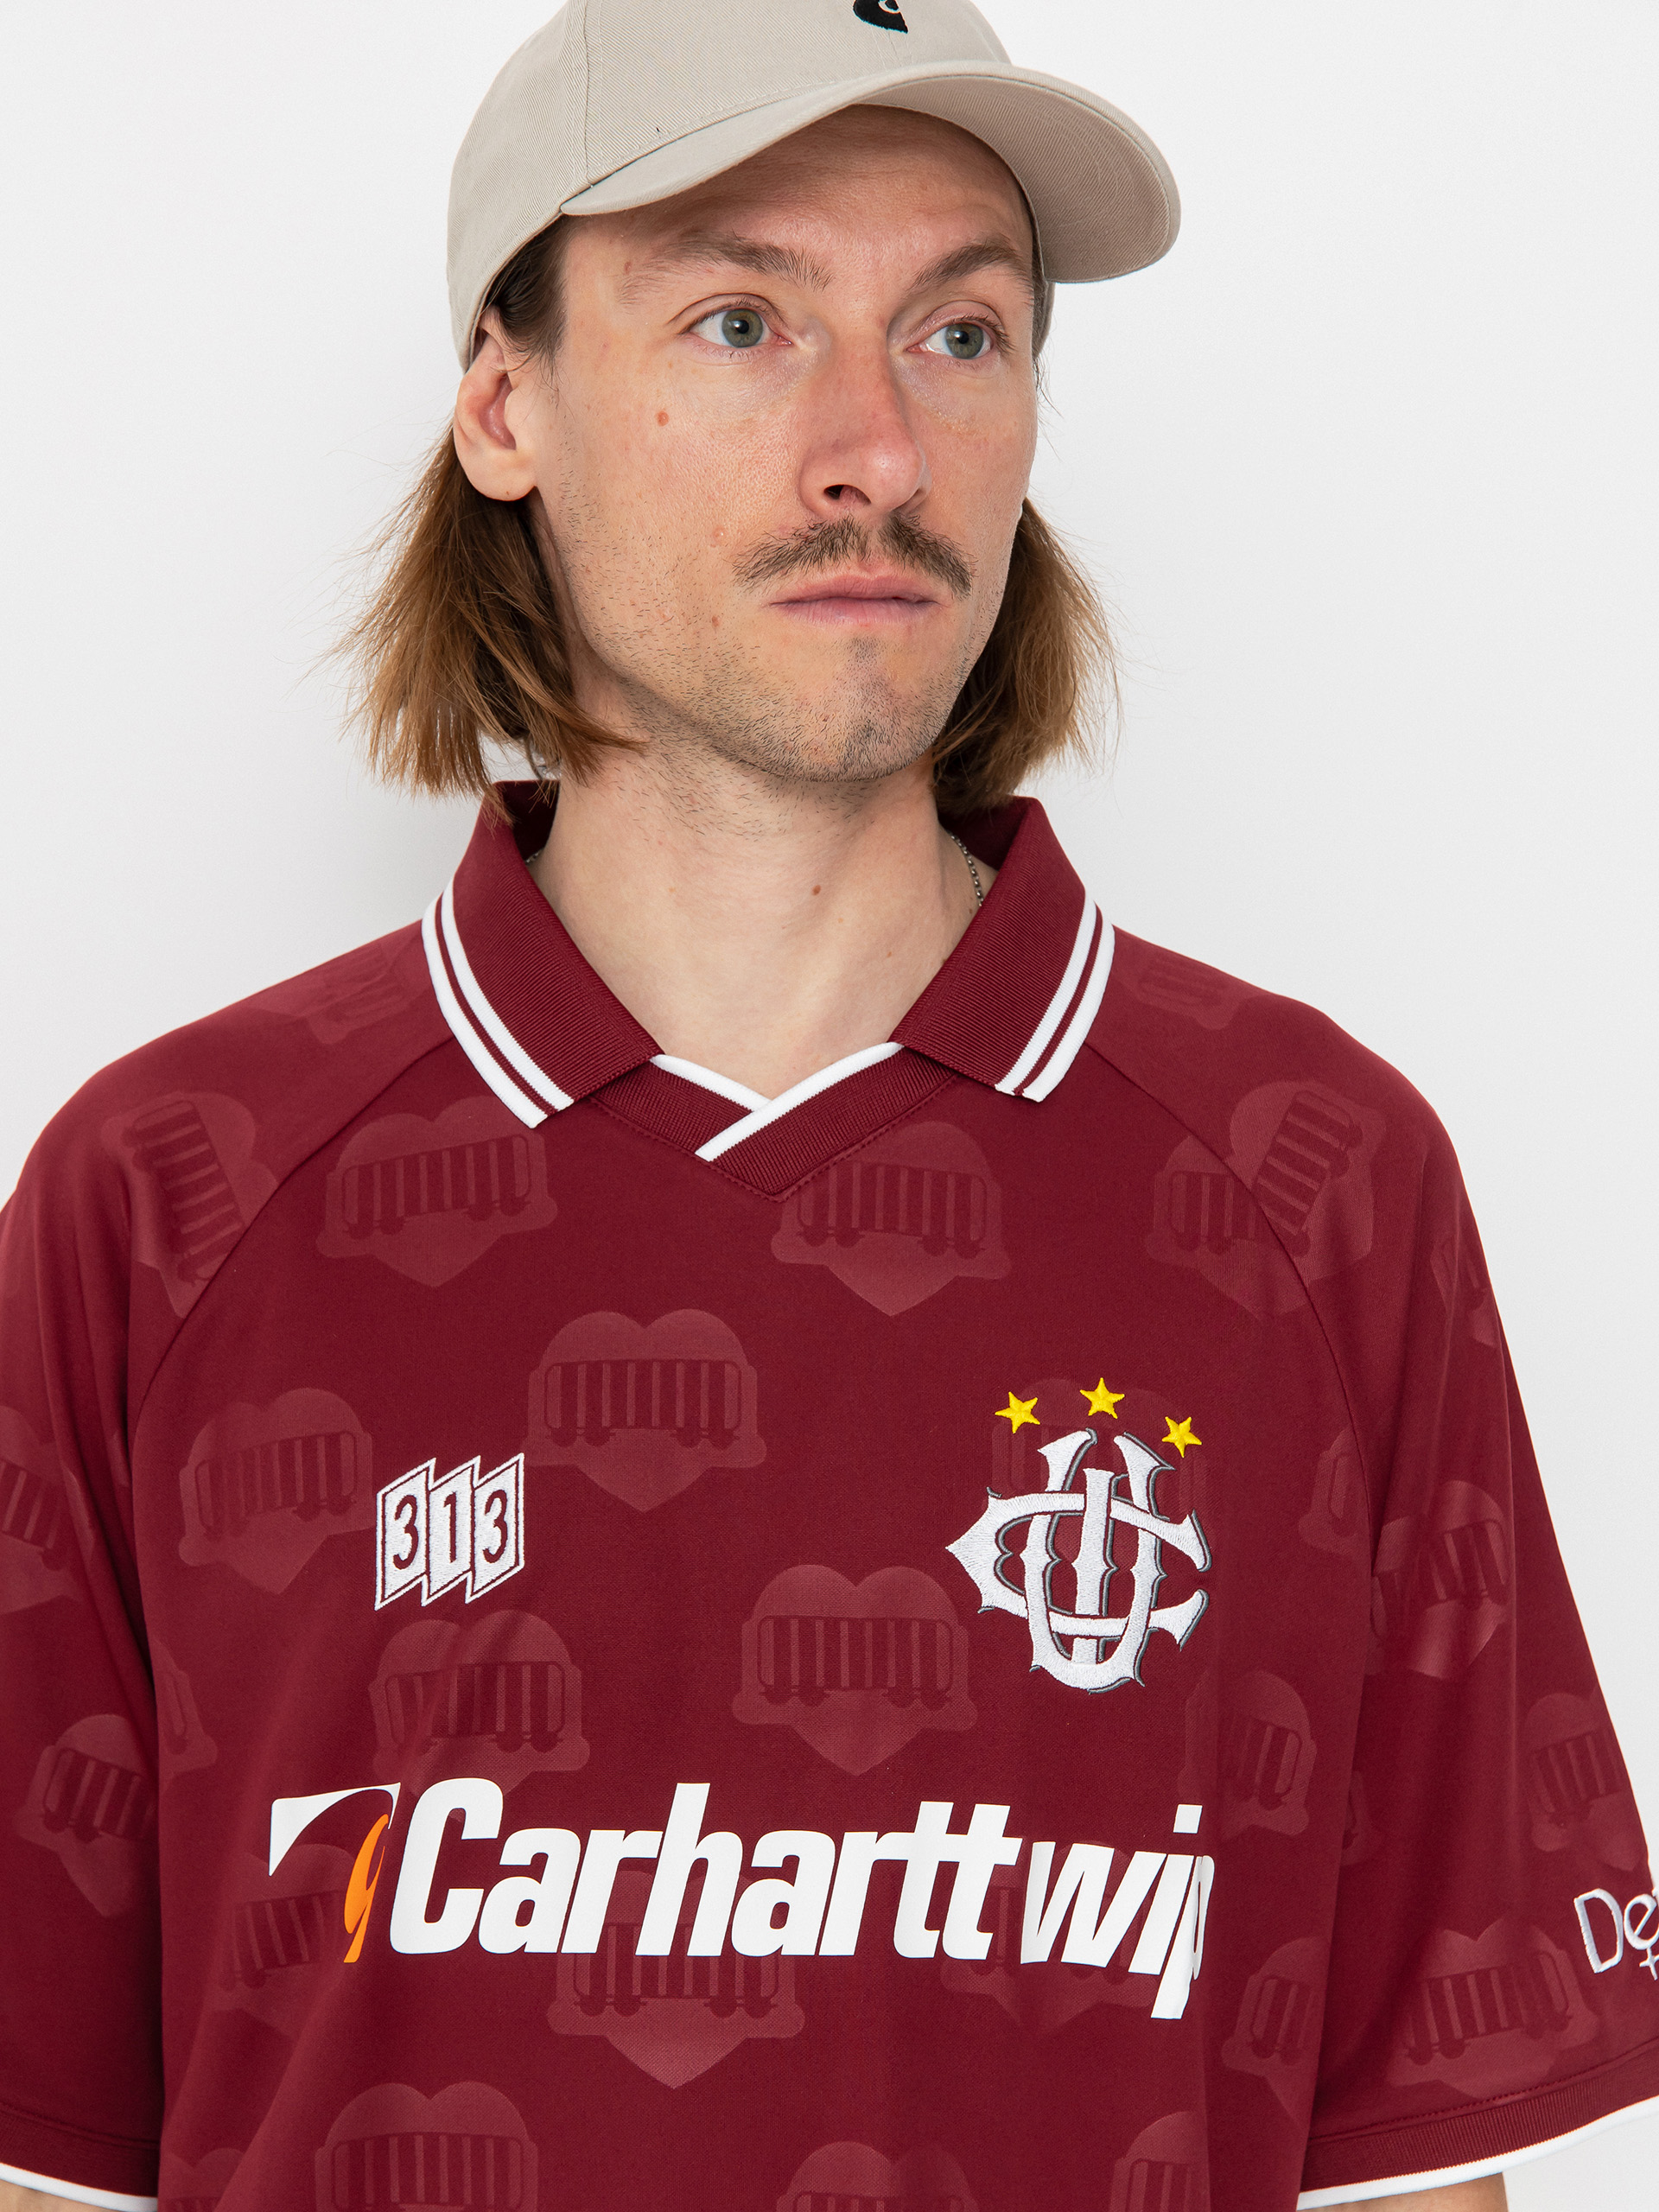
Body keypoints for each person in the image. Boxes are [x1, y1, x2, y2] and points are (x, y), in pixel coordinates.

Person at [1, 2, 1654, 2207]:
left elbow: (1420, 2162)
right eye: (743, 318)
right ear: (505, 405)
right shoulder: (162, 1204)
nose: (875, 447)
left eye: (960, 331)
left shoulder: (1319, 1185)